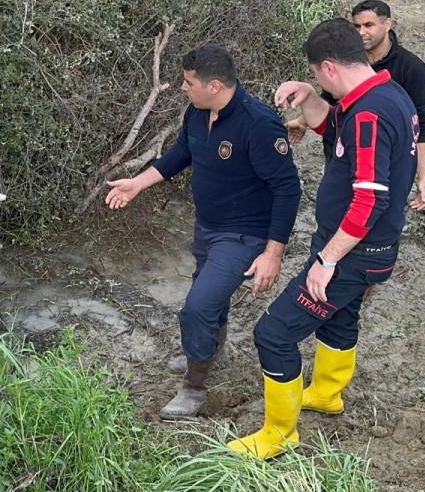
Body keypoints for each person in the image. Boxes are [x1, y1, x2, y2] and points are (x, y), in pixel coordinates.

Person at [228, 19, 419, 459]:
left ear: (330, 66)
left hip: (353, 252)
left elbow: (369, 201)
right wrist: (313, 99)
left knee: (274, 334)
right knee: (340, 317)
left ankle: (278, 433)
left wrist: (328, 260)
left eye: (316, 75)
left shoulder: (369, 114)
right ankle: (327, 394)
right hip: (364, 249)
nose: (316, 81)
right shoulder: (383, 95)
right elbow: (340, 135)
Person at [106, 44, 300, 418]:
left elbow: (288, 188)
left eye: (188, 82)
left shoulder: (258, 123)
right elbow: (182, 154)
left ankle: (194, 388)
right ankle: (210, 349)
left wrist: (273, 253)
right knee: (209, 297)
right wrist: (138, 184)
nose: (182, 87)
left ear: (214, 86)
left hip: (245, 234)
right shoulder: (197, 112)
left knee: (197, 306)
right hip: (208, 226)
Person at [288, 0, 425, 209]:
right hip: (339, 150)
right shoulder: (347, 58)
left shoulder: (411, 68)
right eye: (356, 26)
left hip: (383, 156)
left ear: (387, 24)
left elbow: (420, 124)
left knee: (371, 207)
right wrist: (303, 121)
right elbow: (331, 99)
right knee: (335, 207)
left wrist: (423, 177)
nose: (362, 32)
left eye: (369, 25)